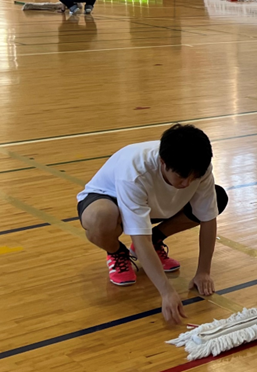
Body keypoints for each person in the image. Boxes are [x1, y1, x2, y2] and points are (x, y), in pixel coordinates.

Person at [76, 124, 228, 325]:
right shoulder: (135, 171)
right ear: (163, 162)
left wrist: (203, 272)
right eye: (182, 177)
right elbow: (140, 237)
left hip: (155, 204)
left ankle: (157, 240)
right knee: (101, 218)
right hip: (109, 200)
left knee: (218, 197)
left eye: (194, 178)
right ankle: (117, 253)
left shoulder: (200, 167)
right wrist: (166, 291)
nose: (187, 183)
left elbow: (208, 219)